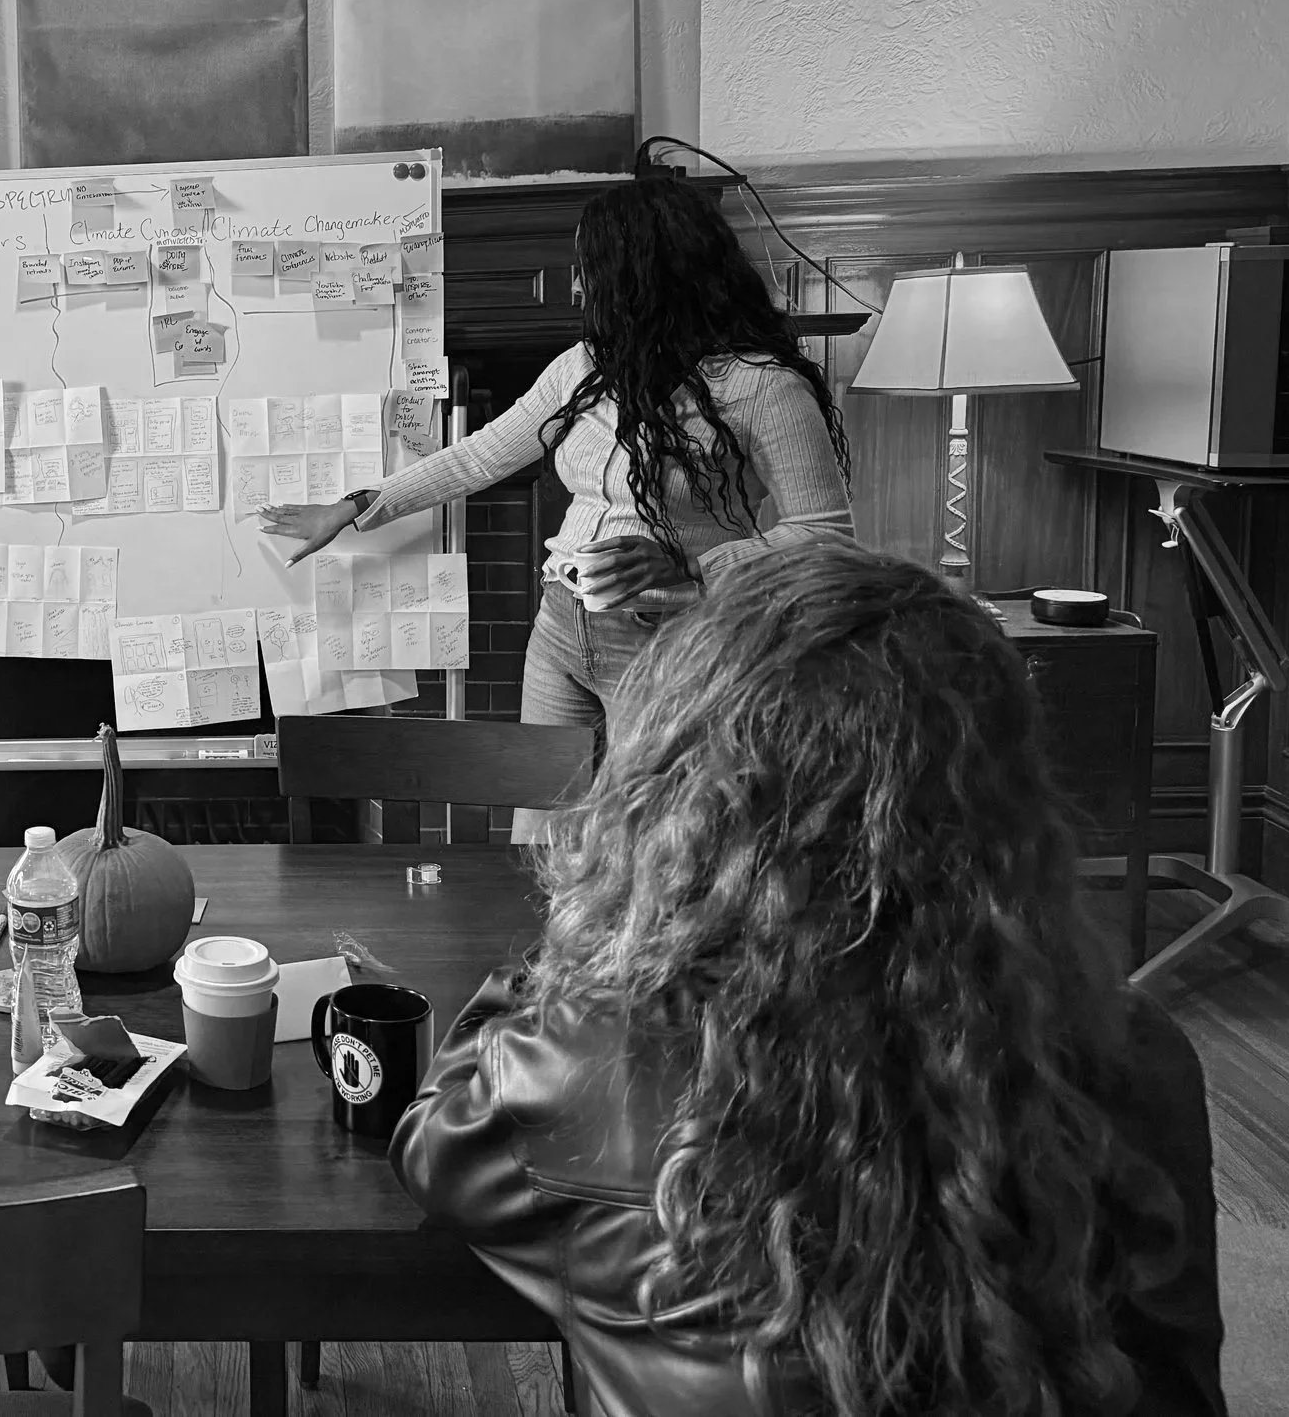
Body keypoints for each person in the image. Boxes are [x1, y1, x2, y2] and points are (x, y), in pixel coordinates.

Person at [391, 545, 1225, 1417]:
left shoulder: (588, 1052)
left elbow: (430, 1140)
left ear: (682, 792)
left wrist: (584, 940)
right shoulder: (1138, 1055)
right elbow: (1180, 1386)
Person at [261, 175, 854, 728]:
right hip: (561, 629)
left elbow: (825, 535)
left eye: (587, 268)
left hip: (673, 643)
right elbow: (481, 455)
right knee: (534, 830)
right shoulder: (585, 367)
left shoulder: (763, 386)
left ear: (644, 275)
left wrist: (693, 564)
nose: (575, 285)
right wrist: (360, 505)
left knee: (644, 831)